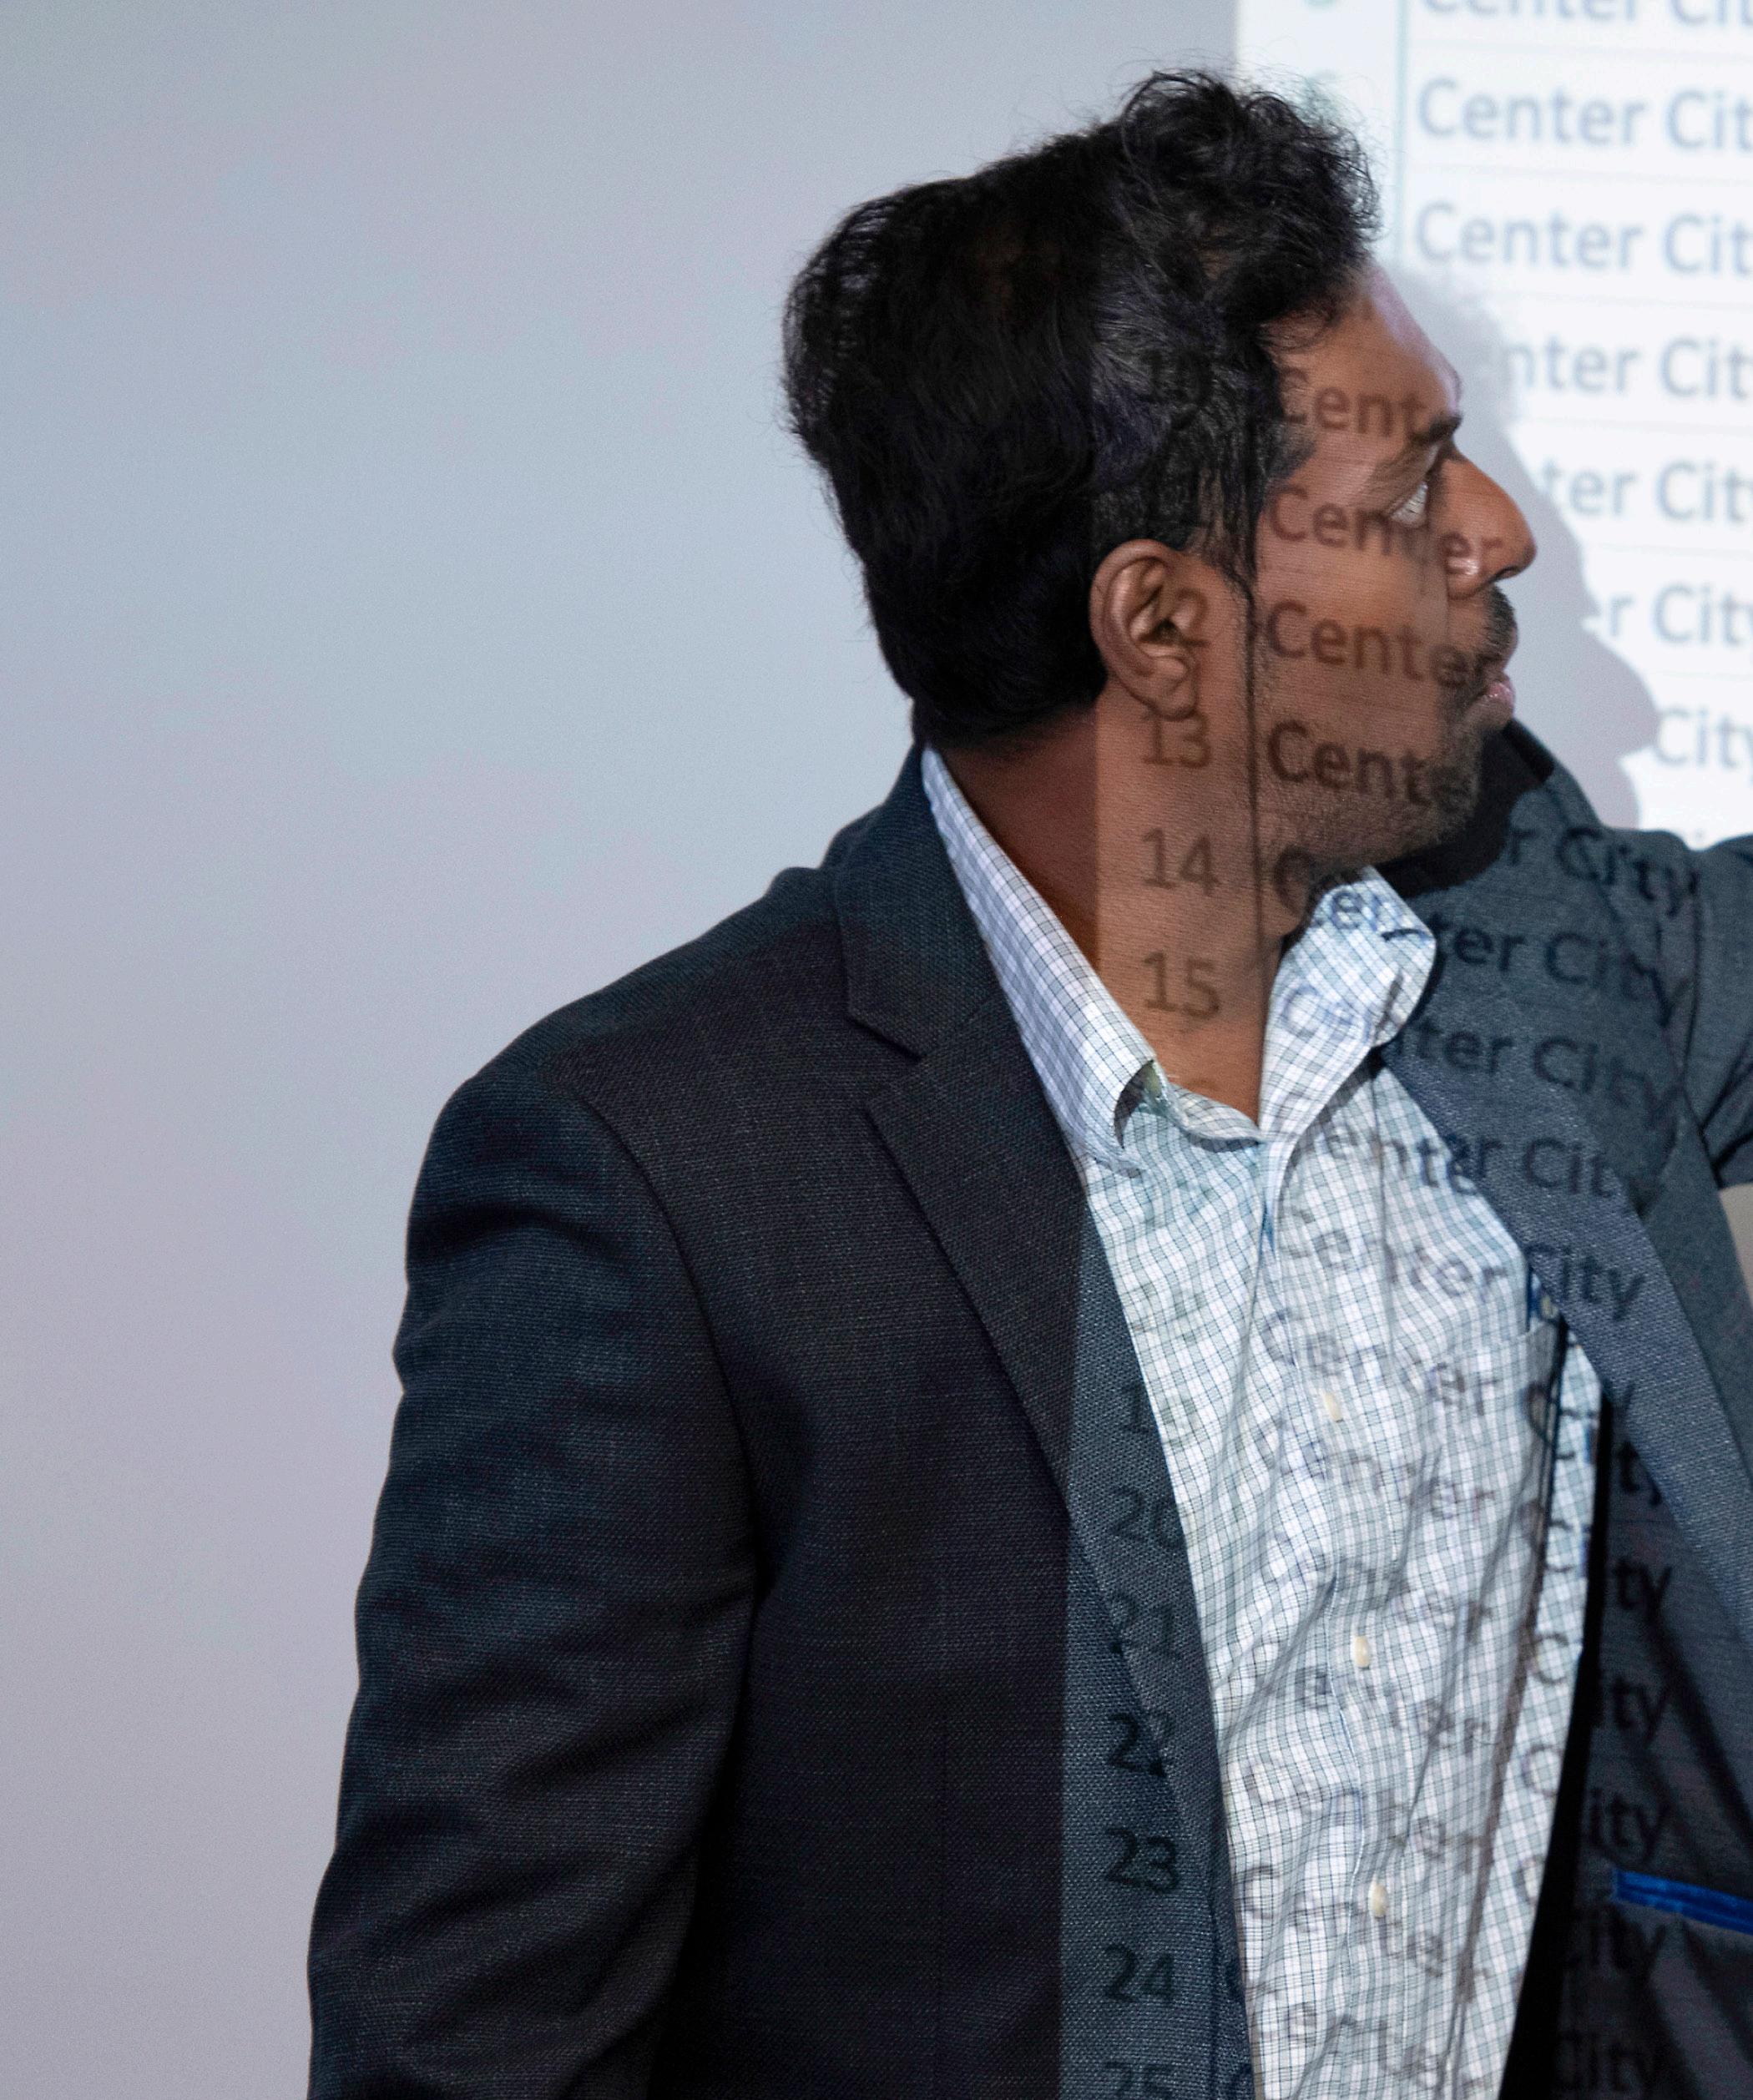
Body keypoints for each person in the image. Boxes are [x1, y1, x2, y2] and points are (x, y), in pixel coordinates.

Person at [306, 69, 1753, 2100]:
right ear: (1161, 620)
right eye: (1415, 488)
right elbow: (480, 2043)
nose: (1499, 534)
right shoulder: (659, 1176)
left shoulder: (1551, 951)